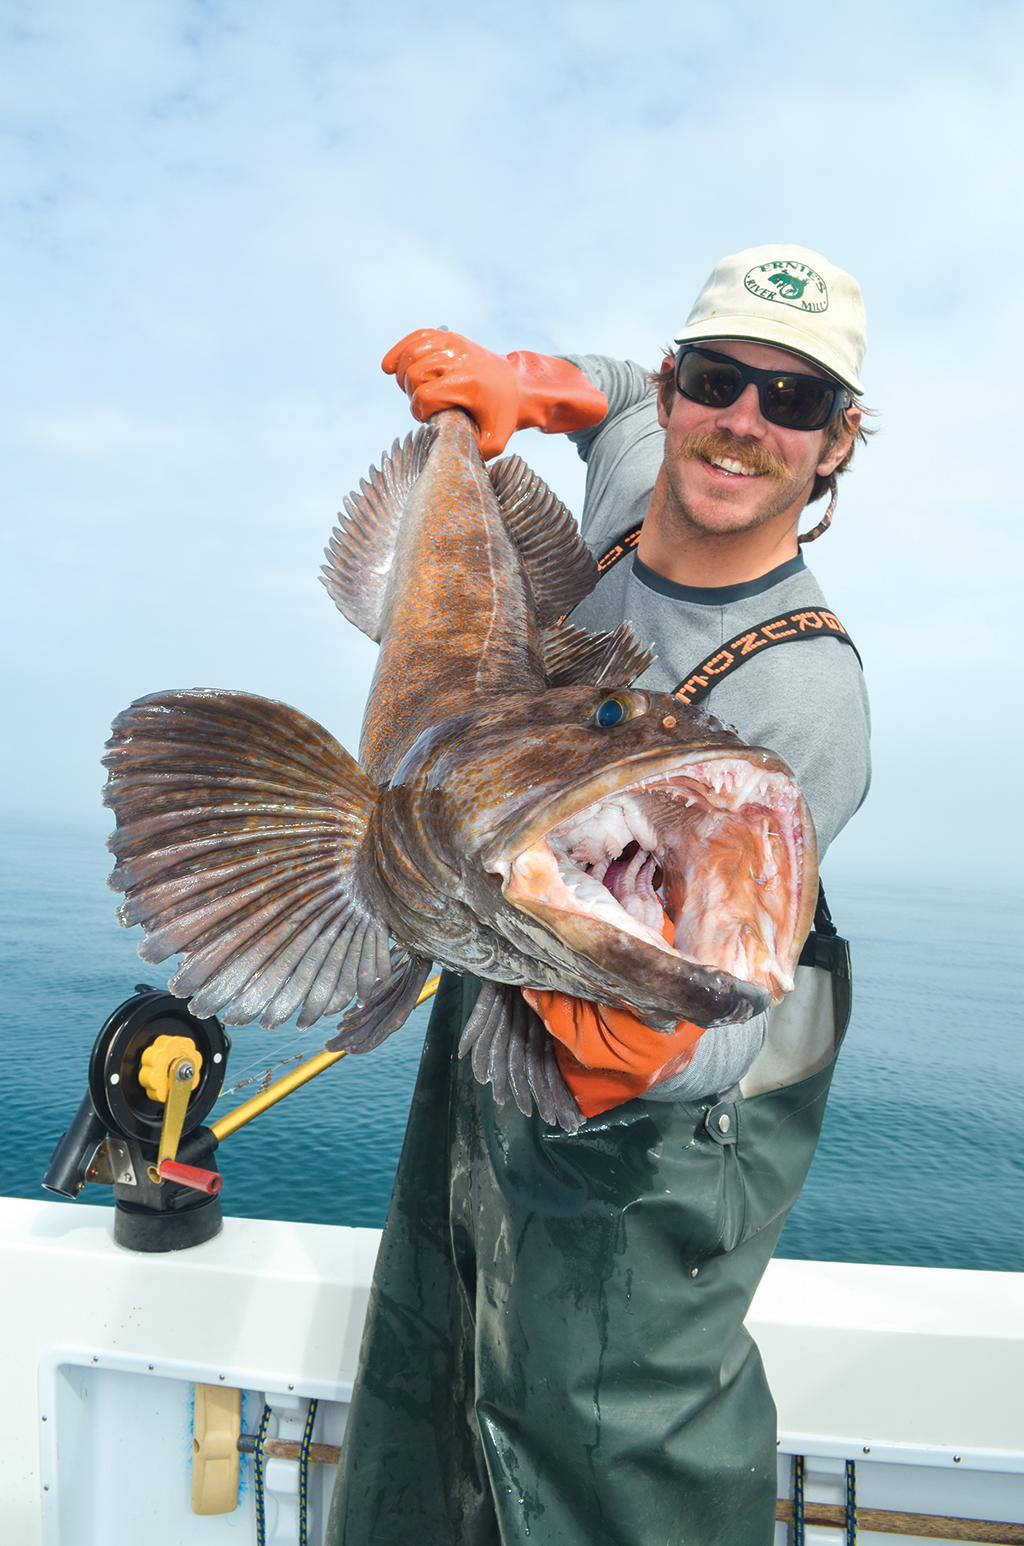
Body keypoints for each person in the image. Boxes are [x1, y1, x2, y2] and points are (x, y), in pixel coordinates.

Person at [326, 244, 871, 1546]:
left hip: (653, 1160)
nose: (744, 423)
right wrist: (513, 387)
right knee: (436, 1396)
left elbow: (742, 985)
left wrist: (645, 1045)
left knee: (612, 1466)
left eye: (792, 403)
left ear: (838, 442)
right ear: (687, 386)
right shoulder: (645, 464)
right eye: (721, 379)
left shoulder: (800, 694)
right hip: (494, 1020)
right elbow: (615, 393)